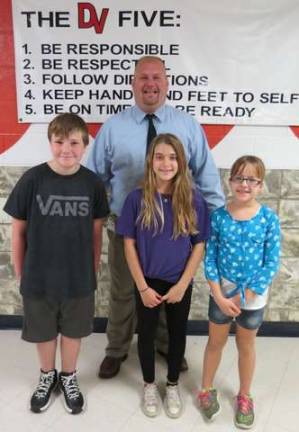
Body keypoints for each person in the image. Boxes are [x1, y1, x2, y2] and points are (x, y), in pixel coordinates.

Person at [86, 55, 224, 379]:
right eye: (143, 78)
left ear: (166, 83)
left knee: (170, 286)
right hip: (127, 229)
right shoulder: (114, 127)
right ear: (134, 83)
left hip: (176, 228)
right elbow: (95, 178)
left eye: (156, 78)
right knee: (123, 291)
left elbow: (205, 174)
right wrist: (93, 219)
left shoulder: (187, 125)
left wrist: (216, 220)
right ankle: (116, 349)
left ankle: (166, 344)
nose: (150, 84)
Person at [3, 113, 109, 414]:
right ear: (50, 142)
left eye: (74, 142)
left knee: (73, 330)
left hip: (78, 275)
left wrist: (93, 269)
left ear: (85, 145)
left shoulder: (92, 183)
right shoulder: (33, 179)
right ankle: (47, 375)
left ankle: (68, 376)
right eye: (59, 141)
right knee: (44, 331)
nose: (66, 149)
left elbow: (96, 230)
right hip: (39, 274)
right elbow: (18, 230)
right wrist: (20, 270)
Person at [117, 133, 210, 417]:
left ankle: (171, 384)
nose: (166, 163)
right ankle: (148, 384)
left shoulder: (193, 199)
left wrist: (183, 283)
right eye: (160, 156)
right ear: (150, 161)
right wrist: (142, 287)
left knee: (176, 333)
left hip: (179, 282)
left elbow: (199, 246)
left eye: (173, 157)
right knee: (145, 333)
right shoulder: (136, 198)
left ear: (181, 162)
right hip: (148, 281)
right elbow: (129, 245)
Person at [197, 155, 280, 429]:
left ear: (260, 185)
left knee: (246, 346)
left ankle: (245, 396)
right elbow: (210, 258)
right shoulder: (219, 217)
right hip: (221, 295)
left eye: (251, 180)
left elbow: (271, 261)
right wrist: (220, 295)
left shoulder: (268, 219)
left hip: (253, 299)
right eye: (239, 178)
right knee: (215, 343)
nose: (244, 184)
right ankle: (206, 389)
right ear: (230, 181)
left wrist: (247, 294)